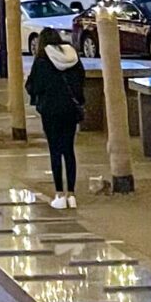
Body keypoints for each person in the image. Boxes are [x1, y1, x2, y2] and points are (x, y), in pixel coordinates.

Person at [26, 23, 88, 210]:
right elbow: (81, 80)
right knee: (69, 150)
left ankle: (59, 194)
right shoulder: (73, 57)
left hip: (51, 111)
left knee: (55, 150)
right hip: (70, 109)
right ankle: (72, 195)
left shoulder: (42, 61)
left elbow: (34, 86)